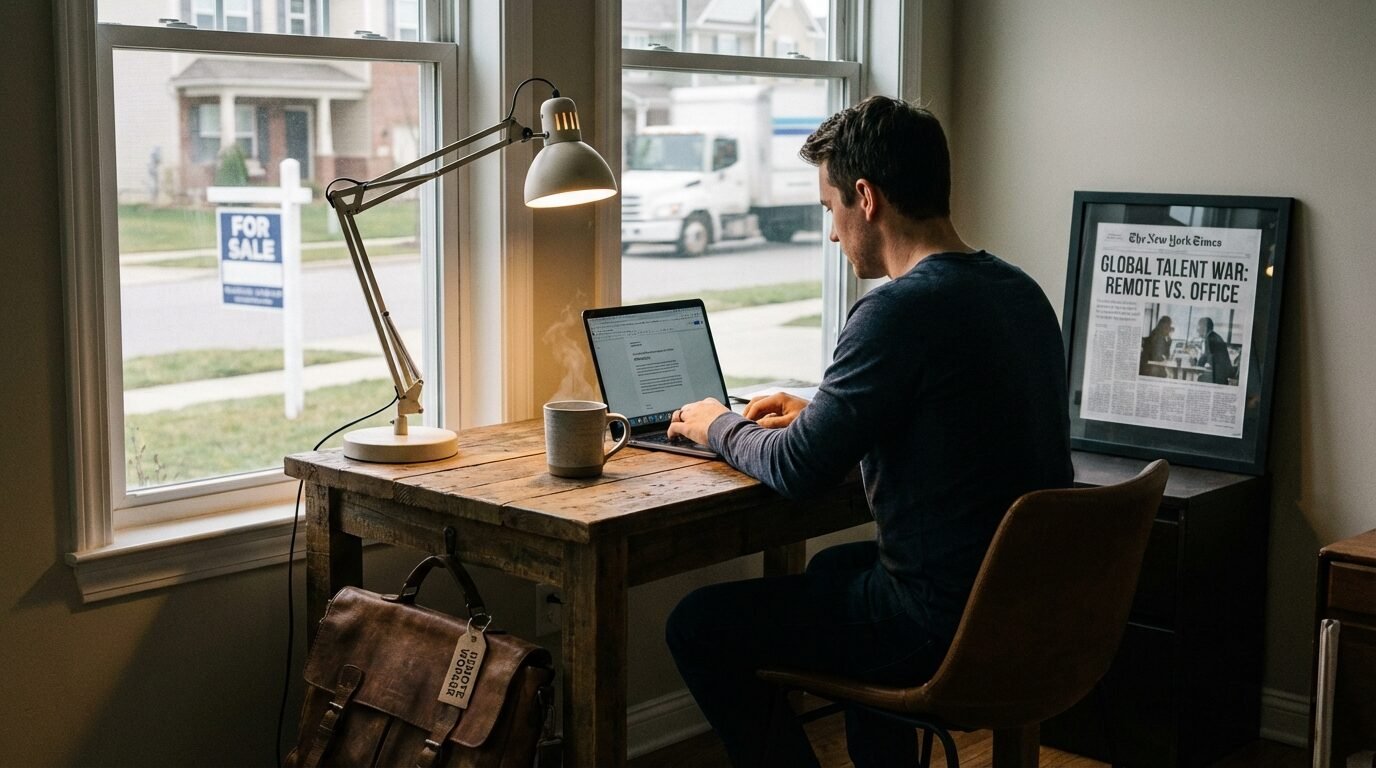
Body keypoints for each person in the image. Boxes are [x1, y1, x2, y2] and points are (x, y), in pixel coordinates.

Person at [663, 96, 1073, 767]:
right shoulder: (1016, 291)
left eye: (830, 210)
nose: (831, 233)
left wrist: (717, 424)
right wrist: (823, 411)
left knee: (698, 626)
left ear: (866, 197)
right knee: (832, 568)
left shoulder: (898, 310)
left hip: (940, 627)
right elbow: (953, 426)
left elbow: (797, 469)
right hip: (1022, 611)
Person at [1194, 317, 1233, 384]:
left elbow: (1206, 357)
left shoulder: (1210, 338)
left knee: (1200, 379)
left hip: (1219, 377)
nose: (1197, 330)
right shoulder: (1213, 336)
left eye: (1199, 327)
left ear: (1205, 327)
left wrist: (1196, 365)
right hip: (1222, 374)